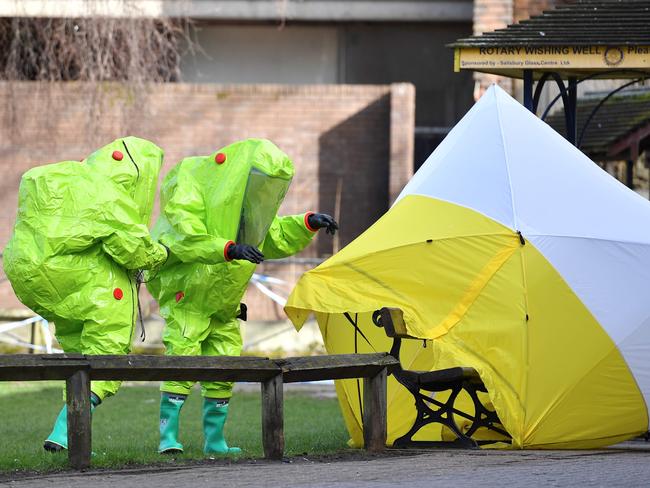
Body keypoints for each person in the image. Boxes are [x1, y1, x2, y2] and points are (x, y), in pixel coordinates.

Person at [147, 138, 338, 455]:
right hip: (190, 300)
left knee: (224, 368)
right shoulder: (195, 185)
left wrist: (307, 223)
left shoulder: (246, 212)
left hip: (225, 306)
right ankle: (168, 437)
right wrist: (228, 249)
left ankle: (215, 441)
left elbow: (271, 236)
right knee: (181, 363)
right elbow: (184, 236)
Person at [3, 136, 169, 452]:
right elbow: (135, 251)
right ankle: (66, 432)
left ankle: (70, 434)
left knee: (79, 353)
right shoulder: (107, 194)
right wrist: (162, 252)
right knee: (108, 353)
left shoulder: (61, 180)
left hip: (33, 276)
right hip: (81, 280)